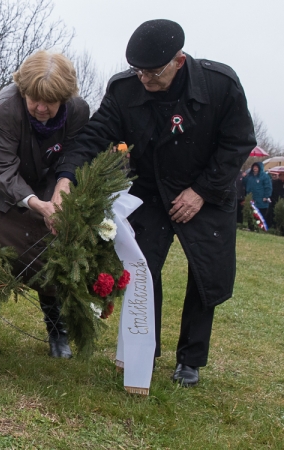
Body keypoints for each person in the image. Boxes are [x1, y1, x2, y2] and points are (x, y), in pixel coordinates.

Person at [65, 19, 256, 386]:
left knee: (205, 276)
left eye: (153, 73)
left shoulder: (220, 85)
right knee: (142, 268)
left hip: (209, 190)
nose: (145, 80)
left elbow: (237, 142)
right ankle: (143, 349)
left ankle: (191, 360)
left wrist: (201, 191)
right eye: (138, 71)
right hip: (152, 191)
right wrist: (66, 177)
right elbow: (95, 135)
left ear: (178, 62)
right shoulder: (124, 89)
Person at [0, 50, 90, 359]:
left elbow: (74, 152)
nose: (41, 108)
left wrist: (63, 187)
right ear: (22, 90)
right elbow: (2, 169)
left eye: (50, 102)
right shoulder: (5, 107)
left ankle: (58, 329)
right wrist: (37, 203)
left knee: (52, 242)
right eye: (34, 100)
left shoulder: (78, 111)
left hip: (45, 175)